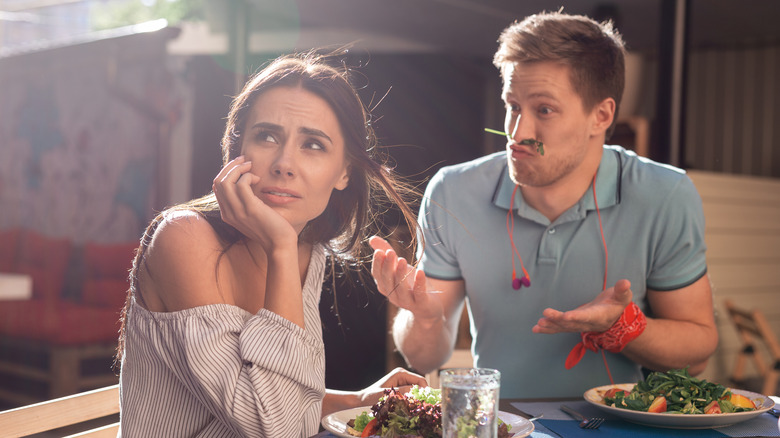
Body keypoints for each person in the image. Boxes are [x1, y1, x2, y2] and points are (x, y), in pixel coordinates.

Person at [370, 11, 718, 398]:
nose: (518, 133)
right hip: (502, 423)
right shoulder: (452, 191)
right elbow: (424, 358)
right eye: (513, 106)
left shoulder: (664, 194)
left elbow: (698, 353)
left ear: (600, 116)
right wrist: (423, 317)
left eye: (544, 110)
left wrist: (621, 326)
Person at [116, 50, 427, 437]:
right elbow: (273, 427)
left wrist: (359, 400)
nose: (284, 162)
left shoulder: (306, 247)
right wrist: (280, 246)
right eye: (266, 136)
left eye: (313, 144)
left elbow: (275, 393)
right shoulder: (182, 238)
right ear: (237, 150)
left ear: (345, 171)